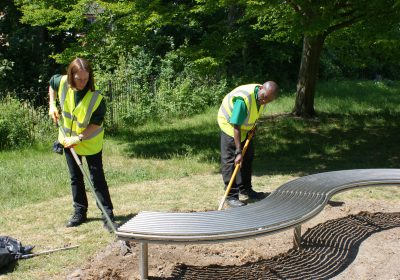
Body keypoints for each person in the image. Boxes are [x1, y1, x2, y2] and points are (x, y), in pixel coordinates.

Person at [48, 57, 117, 231]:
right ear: (71, 75)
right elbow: (51, 84)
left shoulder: (96, 98)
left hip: (90, 142)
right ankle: (80, 213)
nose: (82, 82)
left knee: (97, 179)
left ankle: (107, 215)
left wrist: (78, 138)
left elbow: (95, 125)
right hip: (68, 141)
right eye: (79, 79)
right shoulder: (62, 82)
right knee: (75, 178)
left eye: (86, 79)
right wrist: (52, 105)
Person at [217, 81, 279, 207]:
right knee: (231, 161)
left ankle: (246, 189)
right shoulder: (243, 99)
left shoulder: (263, 95)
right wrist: (238, 151)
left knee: (248, 157)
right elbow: (236, 125)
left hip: (244, 128)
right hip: (230, 125)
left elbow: (253, 113)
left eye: (268, 101)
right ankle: (231, 196)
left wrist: (252, 126)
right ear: (261, 88)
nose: (264, 102)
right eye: (264, 98)